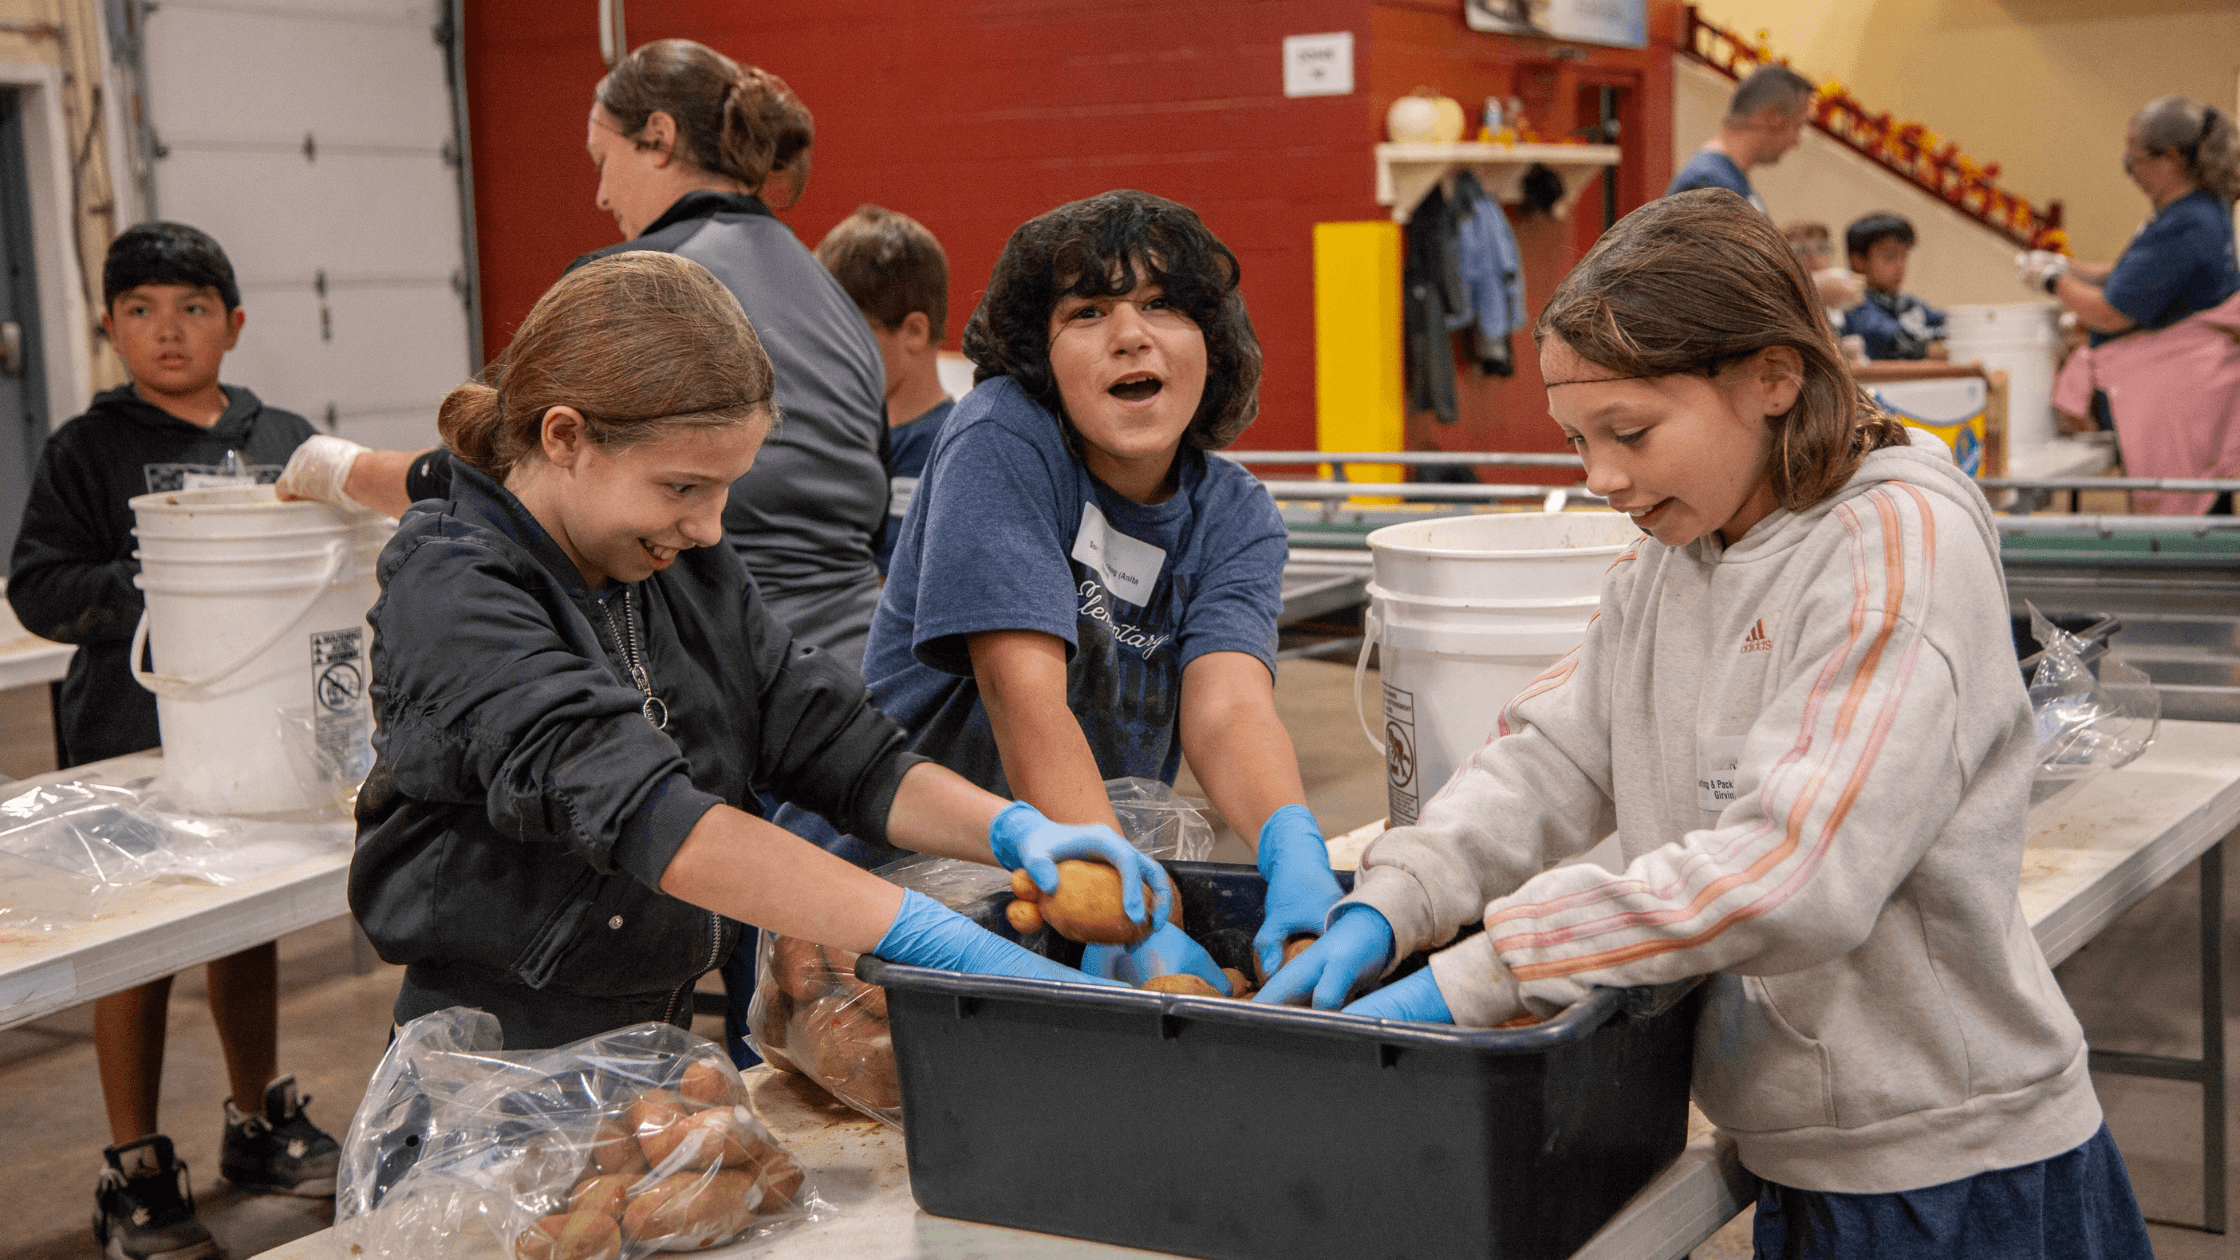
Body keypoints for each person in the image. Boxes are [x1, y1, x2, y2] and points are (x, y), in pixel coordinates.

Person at [1265, 189, 2153, 1259]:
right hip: (1796, 1146)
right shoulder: (1677, 551)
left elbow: (1793, 876)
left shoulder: (1893, 548)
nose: (1600, 477)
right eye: (1575, 439)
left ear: (1771, 378)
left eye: (1630, 432)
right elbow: (1551, 756)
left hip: (1953, 1172)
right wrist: (1397, 897)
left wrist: (1487, 970)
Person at [348, 249, 1161, 1050]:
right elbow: (649, 815)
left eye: (725, 487)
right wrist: (923, 933)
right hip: (497, 1056)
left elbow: (836, 750)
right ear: (565, 436)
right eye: (682, 488)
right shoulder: (453, 589)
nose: (709, 527)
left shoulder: (679, 567)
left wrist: (1014, 831)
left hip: (646, 1036)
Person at [847, 190, 1340, 988]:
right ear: (1039, 357)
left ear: (1210, 341)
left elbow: (1228, 710)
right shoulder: (1001, 438)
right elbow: (1022, 693)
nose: (1131, 335)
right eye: (1088, 312)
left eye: (1162, 306)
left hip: (1075, 890)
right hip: (898, 888)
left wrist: (1294, 851)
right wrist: (1132, 910)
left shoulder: (1235, 513)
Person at [288, 39, 890, 669]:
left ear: (657, 137)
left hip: (719, 671)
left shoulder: (632, 286)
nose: (601, 196)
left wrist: (342, 469)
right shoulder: (833, 297)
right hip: (864, 663)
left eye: (603, 160)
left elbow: (497, 477)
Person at [8, 222, 339, 1260]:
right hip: (129, 732)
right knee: (133, 946)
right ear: (110, 328)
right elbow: (40, 586)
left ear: (234, 325)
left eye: (193, 309)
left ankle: (259, 1121)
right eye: (142, 311)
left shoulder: (286, 436)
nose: (168, 331)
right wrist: (161, 581)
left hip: (259, 737)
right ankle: (136, 1166)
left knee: (245, 926)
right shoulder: (85, 449)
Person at [2025, 96, 2240, 512]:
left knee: (2185, 528)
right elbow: (2137, 274)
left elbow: (2113, 311)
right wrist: (2071, 269)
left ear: (2172, 158)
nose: (2131, 173)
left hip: (2176, 395)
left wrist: (2052, 280)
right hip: (2190, 391)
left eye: (2133, 162)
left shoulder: (2188, 223)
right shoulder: (2200, 211)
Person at [814, 204, 955, 576]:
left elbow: (889, 588)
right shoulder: (848, 431)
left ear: (914, 332)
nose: (833, 350)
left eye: (849, 333)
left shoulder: (948, 450)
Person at [1665, 64, 1812, 211]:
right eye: (1797, 126)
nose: (1797, 141)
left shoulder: (1727, 182)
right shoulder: (1707, 185)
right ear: (1771, 116)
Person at [1839, 212, 1946, 361]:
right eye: (1890, 257)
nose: (1900, 266)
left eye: (1904, 256)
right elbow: (1899, 345)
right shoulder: (1853, 305)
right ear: (1858, 260)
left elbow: (1950, 326)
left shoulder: (1906, 302)